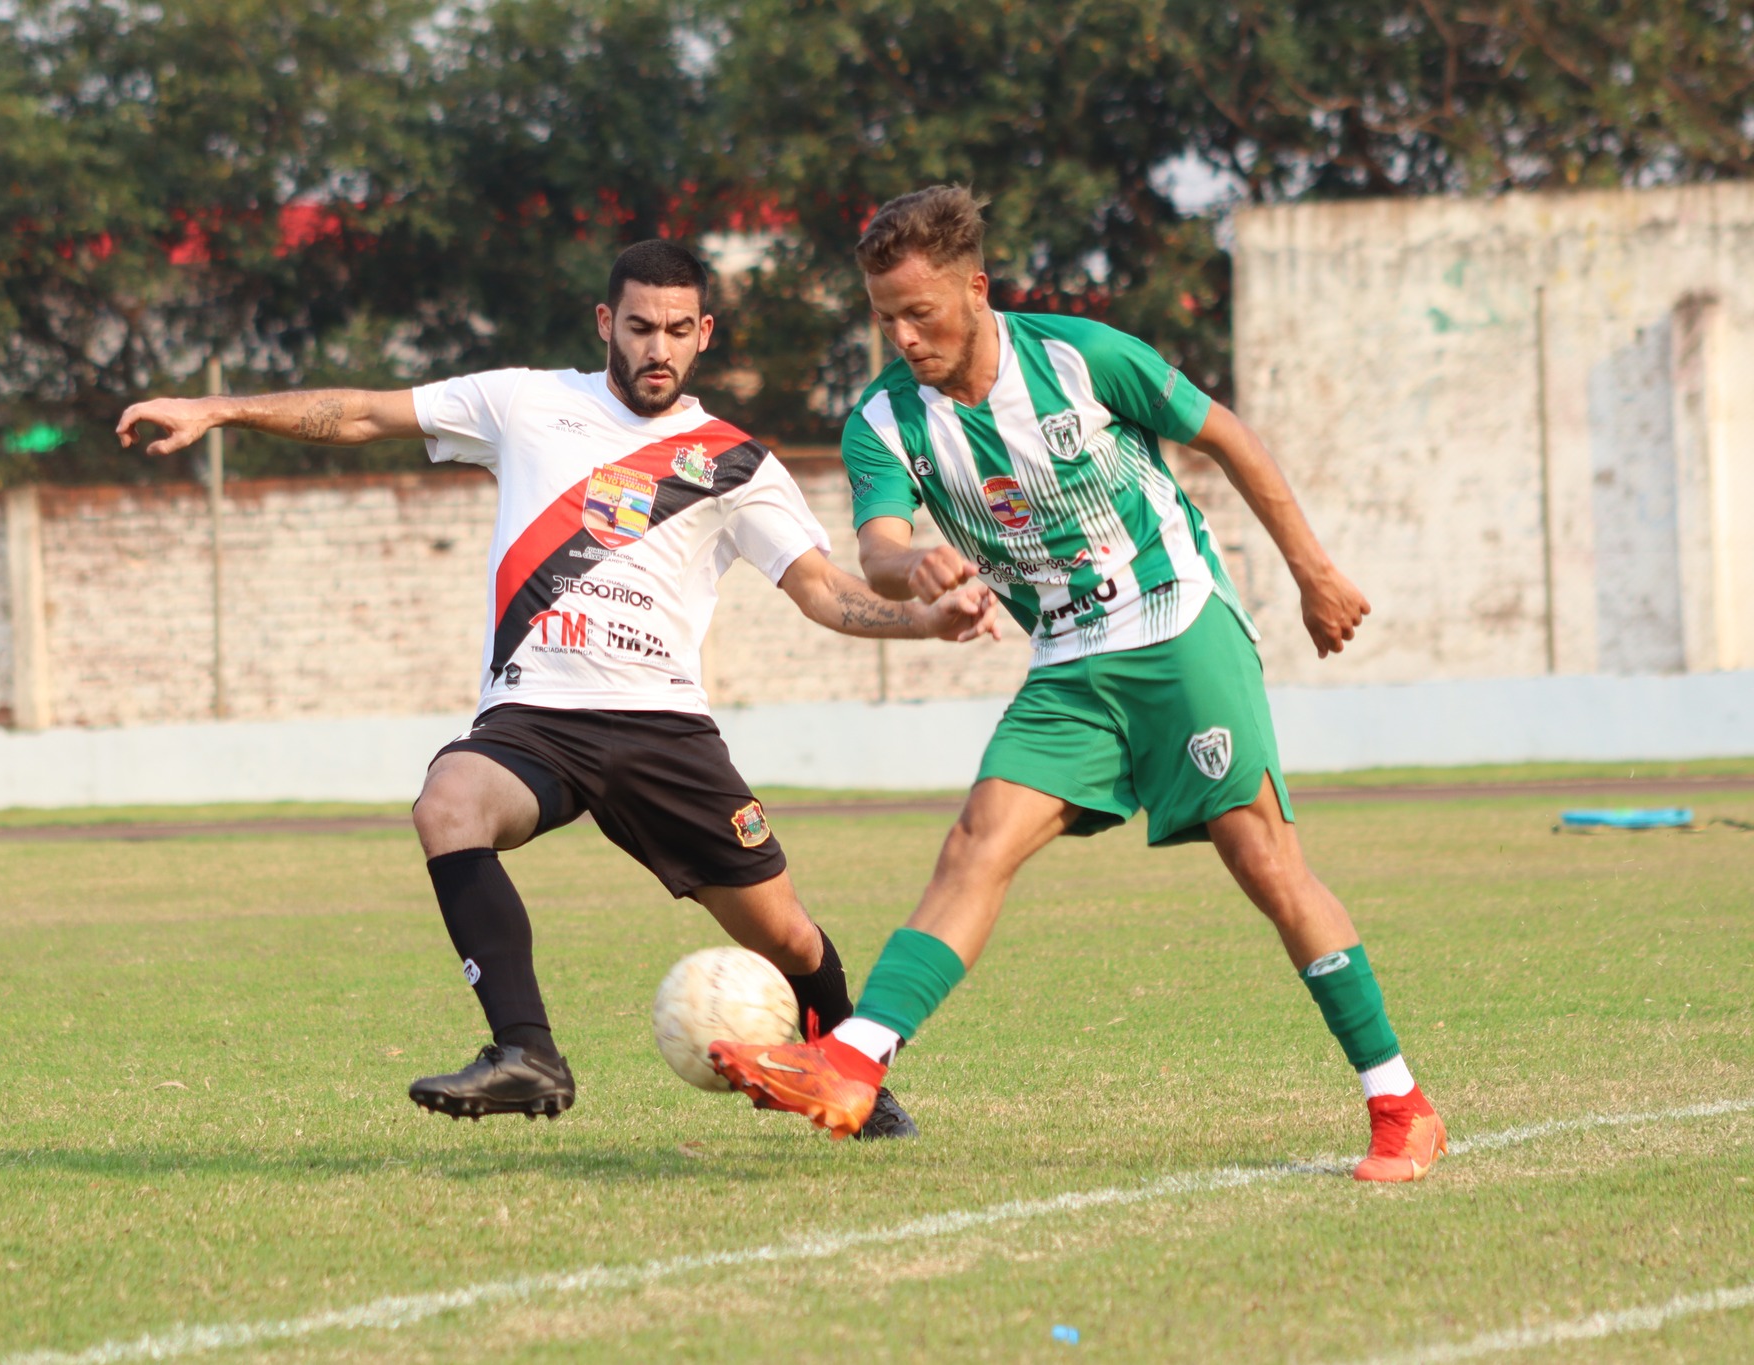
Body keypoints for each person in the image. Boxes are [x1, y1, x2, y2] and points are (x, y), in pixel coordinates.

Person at [117, 240, 999, 1138]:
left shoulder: (736, 462)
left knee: (789, 939)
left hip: (663, 731)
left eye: (680, 330)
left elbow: (820, 588)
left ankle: (856, 1080)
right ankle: (525, 1051)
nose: (659, 347)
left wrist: (925, 622)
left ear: (705, 336)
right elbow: (360, 414)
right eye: (643, 326)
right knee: (448, 805)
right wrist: (217, 408)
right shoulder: (525, 402)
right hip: (533, 714)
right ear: (607, 323)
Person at [709, 188, 1446, 1181]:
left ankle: (1399, 1104)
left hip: (1178, 626)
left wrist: (1312, 573)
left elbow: (1223, 435)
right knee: (975, 842)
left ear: (974, 290)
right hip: (1066, 661)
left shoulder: (1079, 357)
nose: (901, 336)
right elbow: (877, 548)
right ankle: (851, 1064)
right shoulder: (884, 422)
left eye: (919, 312)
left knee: (1264, 864)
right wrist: (914, 567)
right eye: (883, 316)